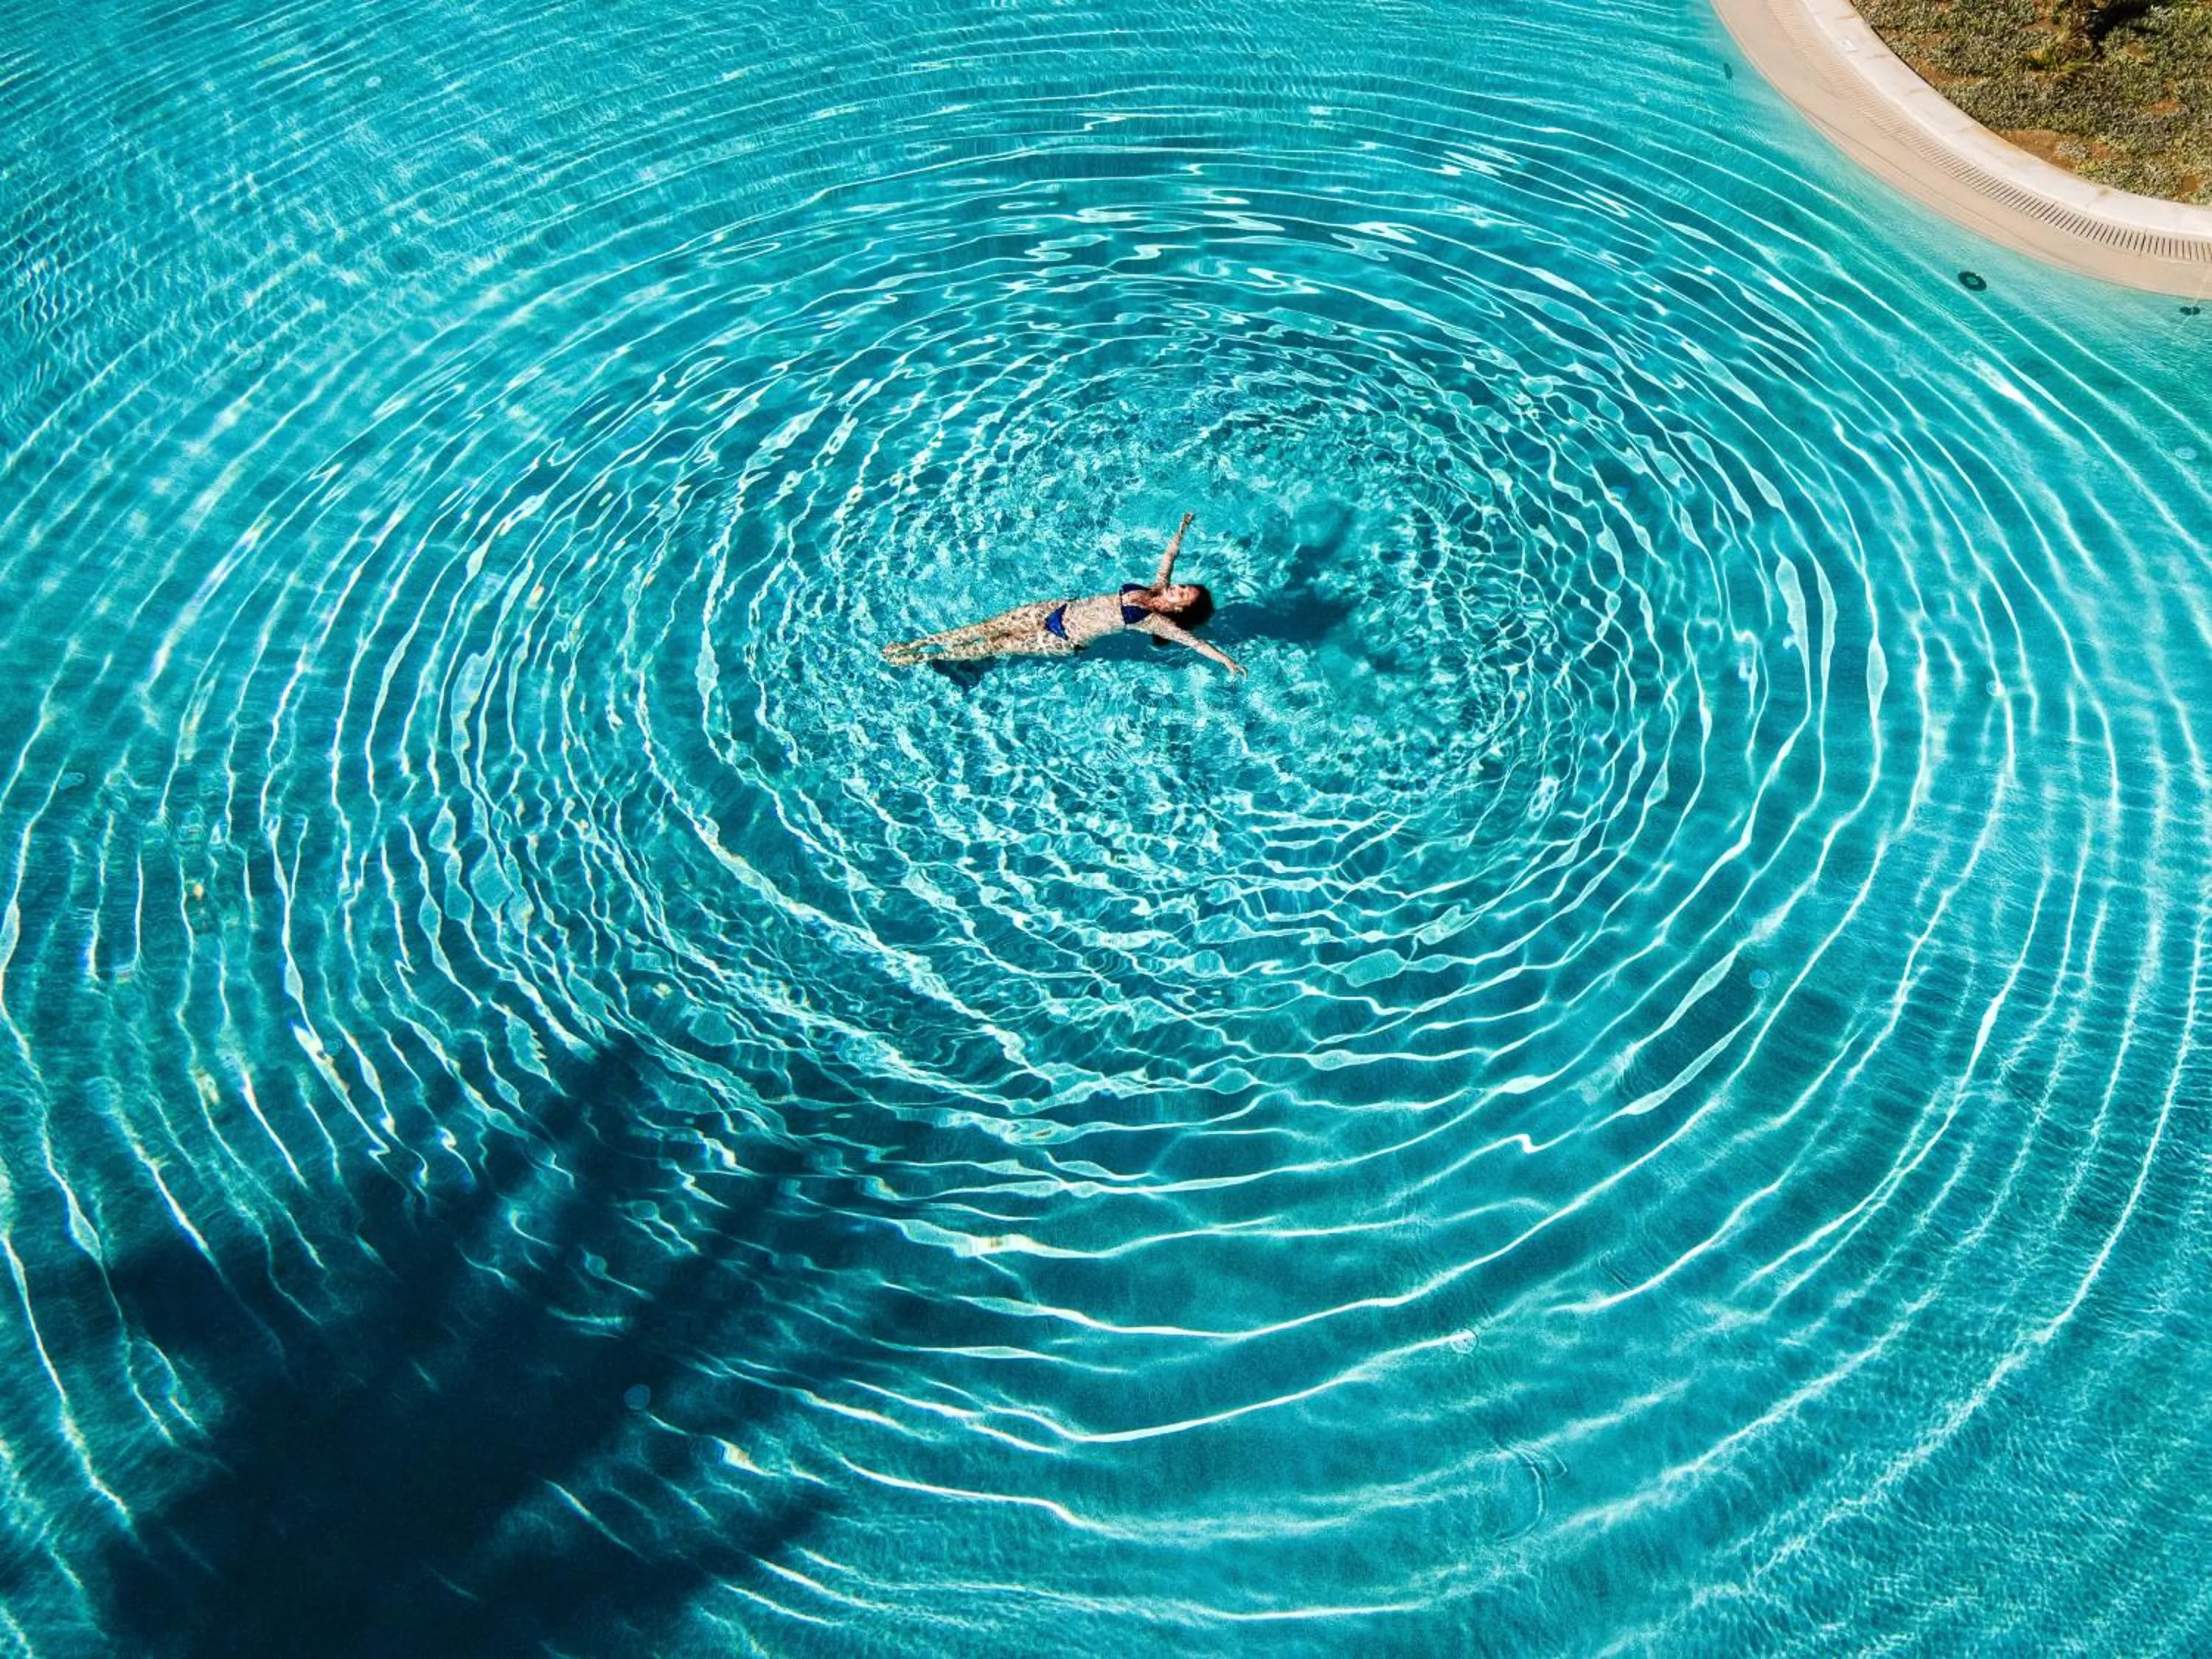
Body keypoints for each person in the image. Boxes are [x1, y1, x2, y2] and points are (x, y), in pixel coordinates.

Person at [881, 512, 1245, 674]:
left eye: (1184, 596)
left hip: (1061, 638)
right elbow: (1169, 557)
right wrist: (1182, 529)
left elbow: (1193, 643)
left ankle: (920, 659)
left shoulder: (1155, 623)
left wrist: (1225, 661)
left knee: (994, 644)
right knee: (985, 627)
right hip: (1052, 610)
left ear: (1179, 610)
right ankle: (917, 644)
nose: (1179, 589)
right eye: (1184, 587)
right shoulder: (1155, 588)